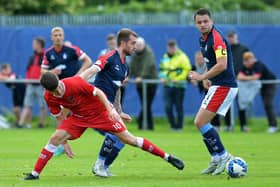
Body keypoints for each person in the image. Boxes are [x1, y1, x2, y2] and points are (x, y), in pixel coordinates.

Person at [23, 72, 184, 180]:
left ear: (59, 80)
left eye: (58, 87)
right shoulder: (49, 97)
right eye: (54, 91)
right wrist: (64, 142)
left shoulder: (75, 83)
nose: (58, 91)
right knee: (54, 138)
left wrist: (112, 111)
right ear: (47, 90)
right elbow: (60, 117)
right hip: (79, 118)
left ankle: (168, 157)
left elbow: (99, 93)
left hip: (101, 113)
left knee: (130, 140)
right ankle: (35, 174)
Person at [189, 8, 238, 175]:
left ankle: (223, 156)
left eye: (205, 21)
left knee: (200, 122)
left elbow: (222, 64)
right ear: (195, 24)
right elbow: (212, 62)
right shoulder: (203, 39)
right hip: (217, 84)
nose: (203, 24)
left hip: (225, 85)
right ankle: (216, 158)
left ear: (212, 21)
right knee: (199, 122)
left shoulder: (216, 38)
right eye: (199, 22)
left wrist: (202, 76)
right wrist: (208, 77)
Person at [237, 51, 278, 133]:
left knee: (268, 104)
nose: (247, 63)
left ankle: (273, 126)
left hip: (269, 85)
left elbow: (256, 77)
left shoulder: (259, 64)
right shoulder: (244, 66)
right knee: (242, 102)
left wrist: (246, 77)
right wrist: (250, 78)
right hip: (258, 86)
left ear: (253, 59)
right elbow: (239, 77)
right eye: (245, 61)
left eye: (248, 60)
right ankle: (243, 127)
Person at [159, 40, 192, 131]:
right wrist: (162, 77)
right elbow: (162, 69)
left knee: (178, 106)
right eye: (170, 47)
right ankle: (173, 126)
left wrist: (177, 79)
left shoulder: (182, 56)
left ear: (176, 47)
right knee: (168, 107)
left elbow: (187, 70)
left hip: (179, 86)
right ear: (167, 47)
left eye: (173, 47)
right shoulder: (165, 57)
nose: (171, 49)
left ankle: (179, 127)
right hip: (167, 85)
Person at [222, 30, 250, 131]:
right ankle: (228, 125)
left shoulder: (244, 49)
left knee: (241, 103)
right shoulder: (225, 48)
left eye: (232, 36)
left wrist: (243, 74)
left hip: (240, 80)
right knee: (226, 104)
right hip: (228, 80)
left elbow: (249, 63)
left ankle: (243, 125)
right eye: (229, 37)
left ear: (236, 36)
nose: (231, 38)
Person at [17, 38, 47, 128]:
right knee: (27, 104)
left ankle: (42, 124)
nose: (33, 45)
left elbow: (47, 69)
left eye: (34, 43)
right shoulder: (32, 57)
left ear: (39, 45)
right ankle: (20, 124)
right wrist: (28, 81)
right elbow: (28, 70)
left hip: (41, 85)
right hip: (30, 84)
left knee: (42, 105)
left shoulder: (46, 56)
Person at [129, 37, 158, 130]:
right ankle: (147, 126)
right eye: (136, 45)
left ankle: (141, 122)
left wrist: (141, 77)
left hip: (150, 83)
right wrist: (127, 76)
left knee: (147, 104)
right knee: (145, 104)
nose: (138, 47)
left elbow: (148, 65)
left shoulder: (149, 53)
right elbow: (131, 66)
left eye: (140, 45)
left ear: (144, 45)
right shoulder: (134, 54)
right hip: (140, 84)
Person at [193, 51, 221, 131]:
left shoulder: (209, 65)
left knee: (213, 108)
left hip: (212, 88)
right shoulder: (195, 67)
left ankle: (217, 125)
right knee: (208, 108)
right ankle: (210, 125)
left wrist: (203, 78)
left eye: (200, 58)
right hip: (205, 89)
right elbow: (190, 74)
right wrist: (191, 79)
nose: (199, 60)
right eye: (197, 58)